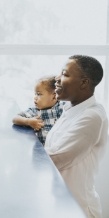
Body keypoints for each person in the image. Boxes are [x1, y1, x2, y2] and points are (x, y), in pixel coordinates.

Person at [44, 55, 108, 218]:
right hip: (59, 204)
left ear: (84, 82)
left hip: (78, 209)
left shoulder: (92, 117)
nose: (57, 79)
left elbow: (55, 158)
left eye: (65, 74)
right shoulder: (69, 109)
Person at [12, 75, 65, 145]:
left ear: (54, 96)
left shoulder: (62, 107)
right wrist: (28, 121)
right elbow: (15, 119)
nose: (35, 98)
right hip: (41, 152)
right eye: (35, 94)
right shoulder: (35, 111)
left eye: (39, 94)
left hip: (58, 149)